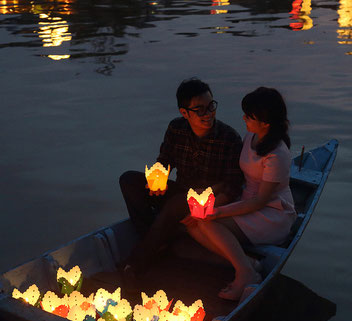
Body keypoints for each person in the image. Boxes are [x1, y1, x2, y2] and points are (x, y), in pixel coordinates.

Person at [119, 78, 244, 278]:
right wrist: (157, 179)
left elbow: (233, 186)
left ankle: (138, 261)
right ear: (184, 113)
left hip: (206, 201)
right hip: (181, 192)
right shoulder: (176, 128)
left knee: (178, 202)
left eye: (211, 106)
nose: (208, 113)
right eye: (200, 109)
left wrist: (205, 211)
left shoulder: (229, 138)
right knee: (128, 180)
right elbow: (164, 160)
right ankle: (155, 240)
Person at [186, 87, 297, 300]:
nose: (244, 118)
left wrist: (218, 212)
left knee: (207, 222)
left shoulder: (277, 154)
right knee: (194, 225)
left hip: (271, 213)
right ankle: (249, 264)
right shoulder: (251, 136)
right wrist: (213, 197)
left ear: (266, 123)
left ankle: (245, 274)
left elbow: (260, 200)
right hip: (246, 201)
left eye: (249, 116)